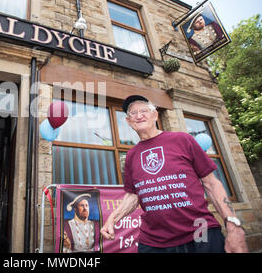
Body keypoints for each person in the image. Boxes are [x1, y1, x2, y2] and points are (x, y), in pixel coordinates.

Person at [100, 95, 248, 253]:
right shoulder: (131, 156)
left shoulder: (182, 140)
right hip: (154, 242)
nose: (139, 115)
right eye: (133, 113)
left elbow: (211, 183)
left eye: (144, 110)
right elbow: (133, 195)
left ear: (155, 115)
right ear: (129, 122)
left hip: (200, 233)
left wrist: (233, 226)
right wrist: (112, 219)